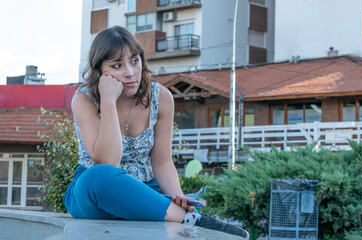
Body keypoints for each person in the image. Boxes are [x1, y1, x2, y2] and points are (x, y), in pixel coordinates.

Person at [63, 26, 249, 239]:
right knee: (98, 176)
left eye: (134, 61)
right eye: (116, 65)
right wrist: (107, 100)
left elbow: (161, 162)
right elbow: (108, 161)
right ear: (100, 71)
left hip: (147, 192)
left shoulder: (161, 97)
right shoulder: (84, 99)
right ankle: (182, 216)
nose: (130, 72)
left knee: (176, 209)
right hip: (95, 195)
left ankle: (190, 217)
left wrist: (179, 198)